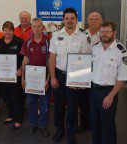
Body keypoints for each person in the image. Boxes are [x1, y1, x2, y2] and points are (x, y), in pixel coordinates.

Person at [49, 7, 89, 143]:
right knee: (59, 105)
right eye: (67, 18)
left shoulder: (84, 36)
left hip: (74, 76)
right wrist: (53, 77)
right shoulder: (56, 35)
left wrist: (79, 80)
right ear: (63, 19)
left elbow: (85, 60)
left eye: (72, 18)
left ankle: (71, 132)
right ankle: (59, 129)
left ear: (76, 19)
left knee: (73, 106)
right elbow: (52, 57)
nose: (69, 21)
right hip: (60, 75)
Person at [90, 21, 127, 144]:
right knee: (94, 122)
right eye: (102, 31)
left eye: (107, 31)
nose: (104, 34)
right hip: (92, 91)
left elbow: (122, 78)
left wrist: (111, 96)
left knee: (107, 124)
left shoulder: (122, 52)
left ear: (114, 33)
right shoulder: (95, 48)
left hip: (108, 92)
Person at [20, 18, 51, 136]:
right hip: (30, 80)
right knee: (30, 103)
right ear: (31, 27)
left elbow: (50, 62)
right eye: (34, 26)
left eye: (39, 26)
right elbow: (25, 60)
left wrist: (48, 79)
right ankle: (33, 124)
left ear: (43, 27)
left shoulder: (48, 41)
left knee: (45, 104)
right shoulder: (27, 41)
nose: (37, 29)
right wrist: (22, 77)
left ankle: (43, 125)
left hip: (44, 80)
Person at [0, 21, 24, 129]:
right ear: (2, 30)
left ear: (13, 30)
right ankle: (11, 115)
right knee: (5, 96)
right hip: (2, 76)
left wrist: (21, 69)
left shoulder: (19, 42)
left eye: (10, 30)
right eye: (5, 30)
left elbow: (25, 58)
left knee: (16, 97)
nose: (7, 32)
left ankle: (18, 119)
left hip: (15, 75)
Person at [76, 12, 103, 133]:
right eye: (91, 19)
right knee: (82, 101)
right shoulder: (81, 34)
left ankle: (94, 125)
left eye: (96, 19)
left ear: (101, 21)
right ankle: (84, 124)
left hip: (97, 74)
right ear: (87, 21)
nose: (93, 21)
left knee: (95, 102)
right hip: (83, 73)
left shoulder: (104, 35)